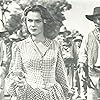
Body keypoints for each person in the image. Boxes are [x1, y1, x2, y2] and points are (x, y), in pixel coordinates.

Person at [7, 5, 73, 100]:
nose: (33, 25)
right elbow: (15, 73)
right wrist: (19, 83)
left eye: (37, 21)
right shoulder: (19, 46)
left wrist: (66, 92)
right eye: (29, 20)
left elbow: (60, 73)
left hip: (53, 95)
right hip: (28, 94)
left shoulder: (55, 45)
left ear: (44, 22)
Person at [78, 7, 100, 100]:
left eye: (99, 19)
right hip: (93, 72)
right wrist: (82, 68)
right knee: (92, 97)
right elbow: (83, 54)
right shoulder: (88, 36)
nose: (97, 22)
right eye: (94, 19)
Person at [0, 20, 13, 100]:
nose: (5, 36)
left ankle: (11, 97)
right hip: (3, 64)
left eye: (7, 34)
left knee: (12, 81)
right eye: (3, 35)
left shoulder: (13, 43)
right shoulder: (0, 44)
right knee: (1, 82)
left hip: (11, 64)